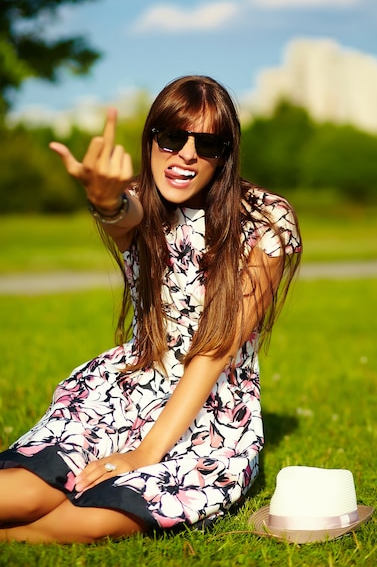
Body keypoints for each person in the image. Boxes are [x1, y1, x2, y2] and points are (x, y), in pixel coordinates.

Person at [0, 75, 301, 544]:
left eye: (208, 144)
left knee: (91, 519)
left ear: (226, 154)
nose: (185, 154)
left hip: (212, 415)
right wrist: (102, 198)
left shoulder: (265, 220)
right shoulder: (143, 199)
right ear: (152, 138)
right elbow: (124, 213)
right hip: (127, 388)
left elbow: (216, 349)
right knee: (25, 493)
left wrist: (146, 453)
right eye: (171, 137)